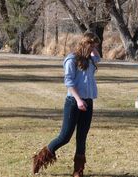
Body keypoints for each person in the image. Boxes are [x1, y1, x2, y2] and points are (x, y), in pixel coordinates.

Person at [32, 32, 101, 177]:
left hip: (88, 102)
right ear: (84, 44)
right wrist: (78, 100)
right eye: (91, 46)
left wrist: (93, 45)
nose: (93, 49)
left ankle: (78, 171)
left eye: (95, 46)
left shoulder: (91, 59)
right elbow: (68, 82)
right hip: (73, 102)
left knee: (82, 138)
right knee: (65, 137)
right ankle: (39, 159)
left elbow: (98, 57)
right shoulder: (71, 59)